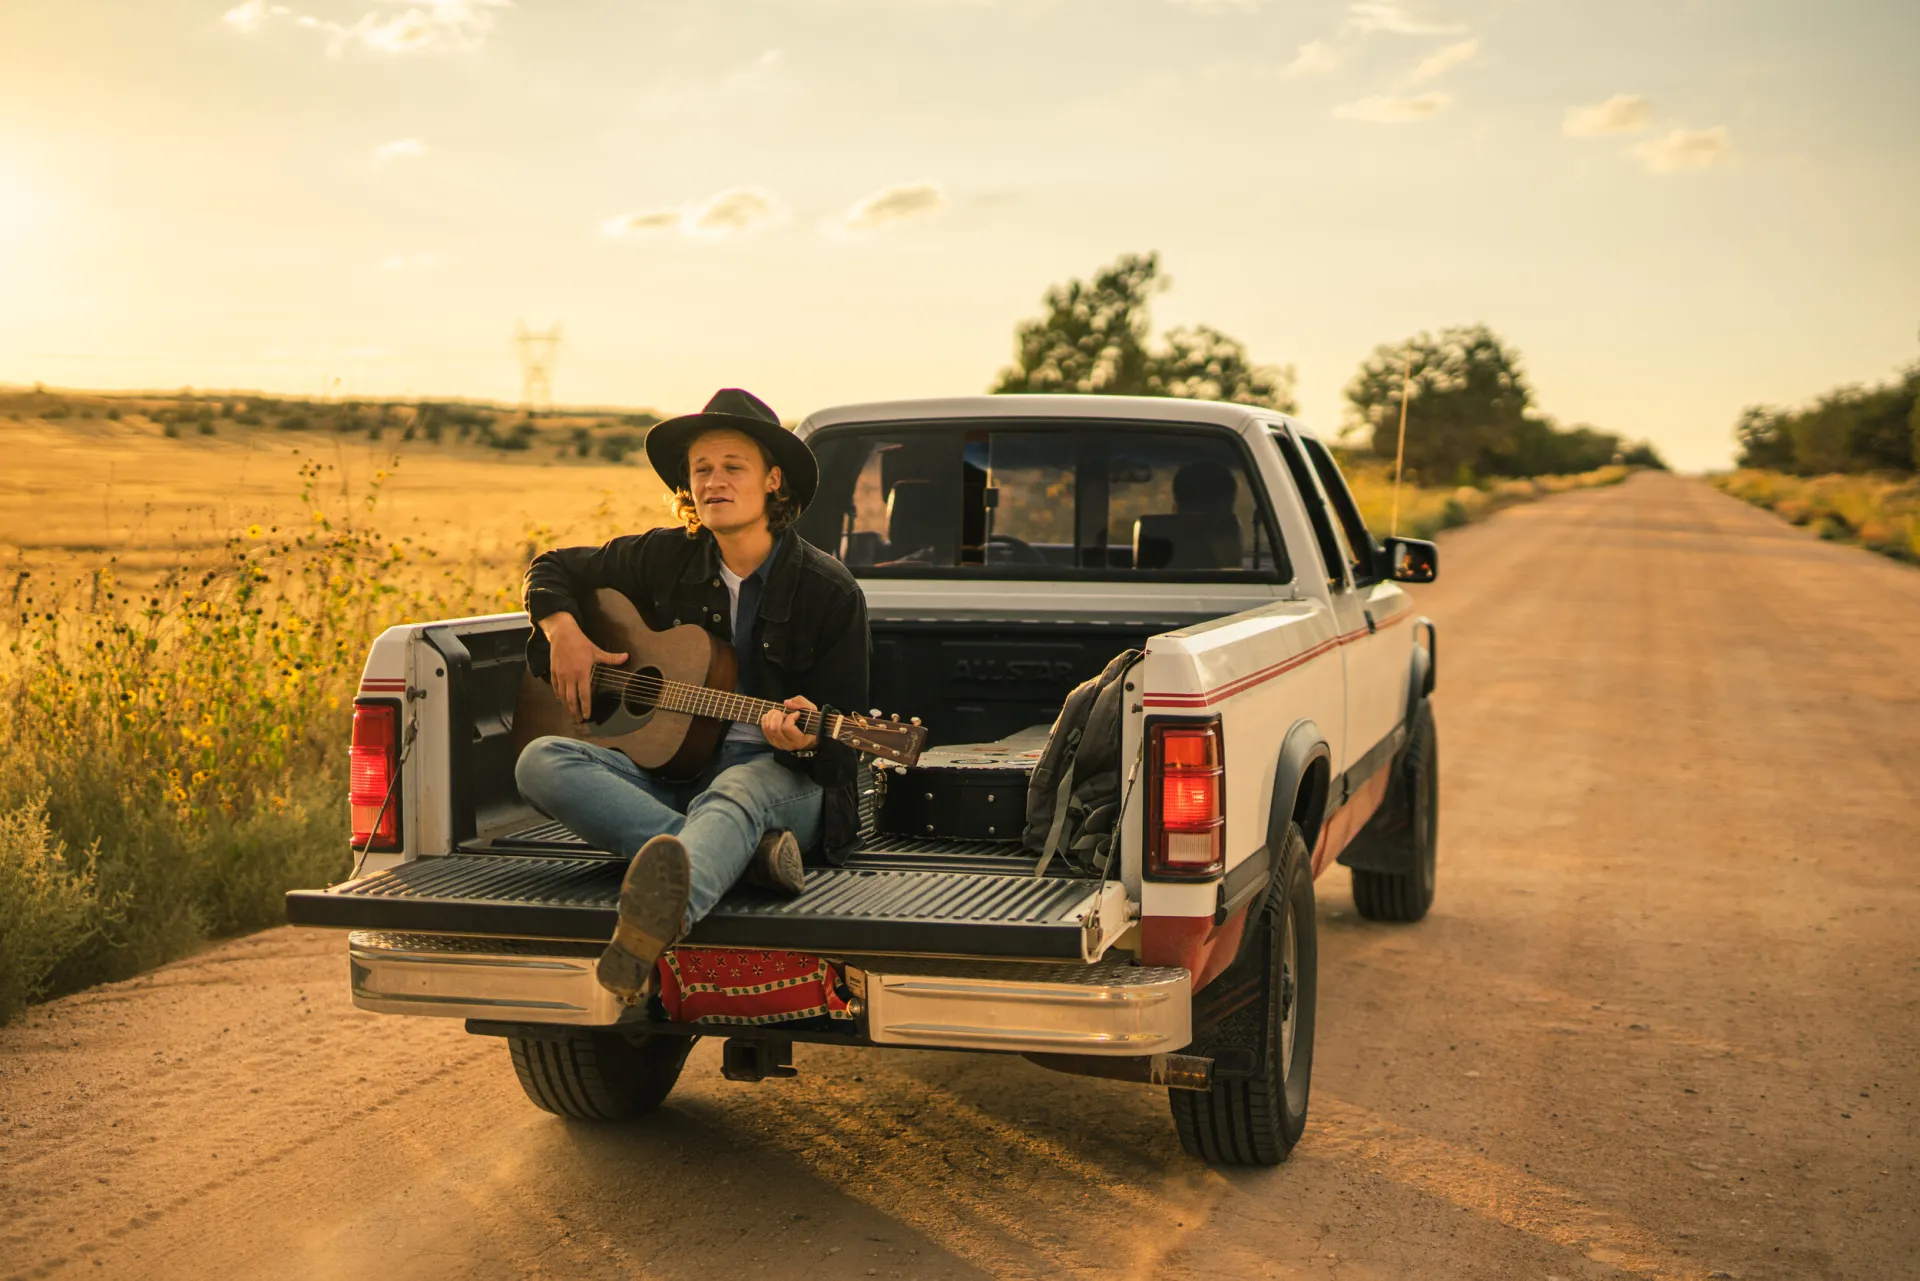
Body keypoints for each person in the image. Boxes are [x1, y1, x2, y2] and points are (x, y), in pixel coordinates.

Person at [514, 388, 870, 1004]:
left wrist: (809, 736)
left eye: (733, 467)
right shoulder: (662, 556)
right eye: (701, 469)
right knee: (540, 761)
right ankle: (745, 857)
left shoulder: (829, 591)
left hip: (784, 779)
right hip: (675, 773)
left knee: (738, 788)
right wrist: (562, 631)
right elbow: (553, 567)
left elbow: (844, 754)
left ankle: (653, 928)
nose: (713, 481)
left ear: (773, 482)